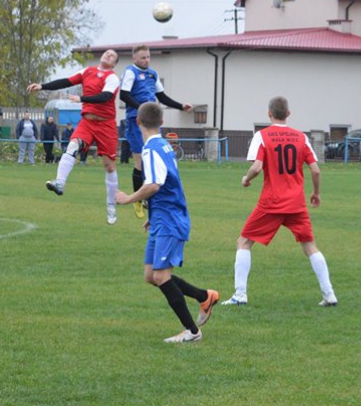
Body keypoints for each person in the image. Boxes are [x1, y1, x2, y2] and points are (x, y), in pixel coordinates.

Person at [115, 103, 219, 343]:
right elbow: (169, 183)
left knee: (162, 276)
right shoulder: (163, 145)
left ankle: (192, 332)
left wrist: (128, 199)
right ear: (161, 122)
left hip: (170, 219)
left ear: (138, 121)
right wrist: (153, 215)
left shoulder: (151, 149)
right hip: (163, 217)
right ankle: (205, 296)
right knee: (151, 275)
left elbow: (154, 185)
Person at [221, 96, 337, 307]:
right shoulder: (301, 137)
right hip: (296, 203)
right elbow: (316, 170)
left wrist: (246, 179)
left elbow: (256, 167)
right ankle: (329, 294)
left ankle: (240, 295)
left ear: (269, 114)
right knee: (310, 246)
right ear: (289, 114)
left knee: (244, 242)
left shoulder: (262, 136)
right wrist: (316, 193)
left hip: (272, 202)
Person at [26, 49, 121, 225]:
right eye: (107, 52)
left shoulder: (113, 77)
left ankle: (111, 205)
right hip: (87, 122)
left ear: (114, 63)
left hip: (106, 125)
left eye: (112, 56)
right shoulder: (87, 71)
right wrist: (43, 86)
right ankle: (60, 182)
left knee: (109, 166)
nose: (108, 55)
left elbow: (105, 97)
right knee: (72, 146)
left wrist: (81, 98)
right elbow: (65, 81)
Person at [119, 45, 193, 220]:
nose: (147, 60)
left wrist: (180, 106)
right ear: (135, 59)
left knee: (153, 158)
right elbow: (124, 95)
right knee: (141, 161)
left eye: (148, 57)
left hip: (151, 119)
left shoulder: (153, 74)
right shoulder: (130, 72)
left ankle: (150, 195)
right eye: (143, 57)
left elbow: (162, 97)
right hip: (136, 120)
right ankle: (138, 198)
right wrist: (142, 108)